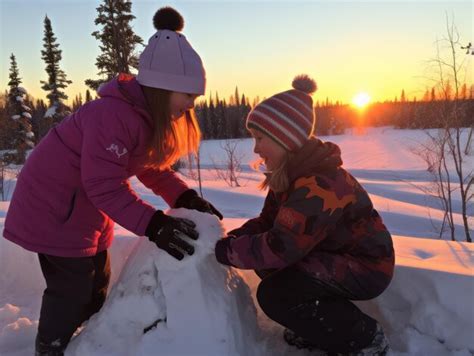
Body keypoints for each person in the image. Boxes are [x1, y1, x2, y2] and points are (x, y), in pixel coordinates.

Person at [3, 7, 222, 356]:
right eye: (189, 96)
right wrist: (154, 224)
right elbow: (104, 185)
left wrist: (183, 196)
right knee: (71, 290)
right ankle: (51, 349)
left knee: (97, 284)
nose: (192, 105)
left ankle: (88, 344)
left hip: (83, 211)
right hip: (53, 209)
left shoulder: (143, 117)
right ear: (163, 89)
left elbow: (148, 167)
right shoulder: (113, 116)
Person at [214, 75, 394, 355]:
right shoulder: (291, 176)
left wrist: (227, 252)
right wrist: (233, 237)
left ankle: (365, 337)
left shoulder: (318, 185)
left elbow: (280, 247)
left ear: (285, 139)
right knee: (273, 272)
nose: (256, 148)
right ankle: (320, 328)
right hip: (330, 256)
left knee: (275, 293)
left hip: (367, 266)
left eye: (260, 138)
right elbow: (267, 224)